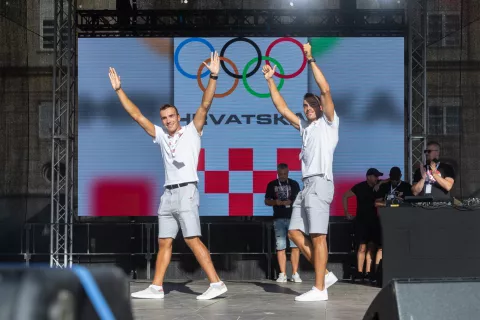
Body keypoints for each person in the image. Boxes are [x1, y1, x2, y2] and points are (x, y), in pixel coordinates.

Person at [108, 52, 227, 300]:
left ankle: (216, 283)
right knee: (164, 242)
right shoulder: (161, 136)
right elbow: (137, 115)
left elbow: (205, 104)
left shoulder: (192, 131)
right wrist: (119, 90)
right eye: (164, 118)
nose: (167, 120)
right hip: (168, 194)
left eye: (171, 116)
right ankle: (156, 287)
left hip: (186, 190)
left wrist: (214, 75)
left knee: (193, 239)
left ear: (178, 117)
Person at [262, 42, 339, 301]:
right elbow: (282, 108)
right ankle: (324, 273)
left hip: (320, 183)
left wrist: (311, 59)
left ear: (319, 106)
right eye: (305, 106)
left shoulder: (329, 123)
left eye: (311, 104)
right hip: (305, 187)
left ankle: (320, 289)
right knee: (294, 232)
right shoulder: (305, 128)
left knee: (318, 236)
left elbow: (326, 89)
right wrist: (271, 81)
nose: (307, 108)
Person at [342, 168, 383, 282]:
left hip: (374, 221)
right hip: (361, 221)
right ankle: (360, 272)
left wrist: (380, 184)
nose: (377, 178)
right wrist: (346, 212)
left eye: (377, 177)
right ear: (368, 176)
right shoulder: (359, 187)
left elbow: (387, 180)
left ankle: (369, 272)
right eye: (375, 176)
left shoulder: (378, 187)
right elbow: (345, 196)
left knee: (371, 247)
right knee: (361, 247)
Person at [264, 163, 302, 283]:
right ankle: (283, 274)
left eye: (285, 174)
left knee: (295, 246)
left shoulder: (294, 184)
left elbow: (299, 200)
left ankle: (295, 273)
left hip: (293, 219)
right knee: (280, 246)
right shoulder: (272, 184)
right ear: (277, 173)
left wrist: (292, 201)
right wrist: (277, 202)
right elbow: (266, 201)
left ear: (288, 172)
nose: (283, 176)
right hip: (279, 218)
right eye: (280, 174)